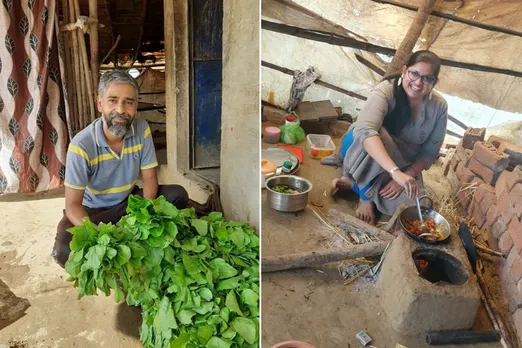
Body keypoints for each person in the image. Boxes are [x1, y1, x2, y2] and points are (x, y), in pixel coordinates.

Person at [52, 70, 188, 267]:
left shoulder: (142, 129)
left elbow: (150, 179)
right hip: (95, 212)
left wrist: (142, 217)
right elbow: (73, 205)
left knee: (178, 194)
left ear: (135, 106)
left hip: (129, 203)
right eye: (113, 101)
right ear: (100, 104)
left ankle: (139, 240)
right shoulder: (81, 146)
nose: (121, 110)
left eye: (128, 102)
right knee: (63, 249)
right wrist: (100, 235)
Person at [325, 50, 448, 225]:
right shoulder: (386, 90)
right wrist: (395, 173)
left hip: (403, 165)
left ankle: (353, 185)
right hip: (366, 153)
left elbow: (429, 152)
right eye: (414, 74)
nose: (419, 83)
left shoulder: (439, 107)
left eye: (427, 78)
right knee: (377, 134)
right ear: (405, 71)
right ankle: (365, 196)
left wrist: (406, 175)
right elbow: (366, 131)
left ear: (434, 82)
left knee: (420, 205)